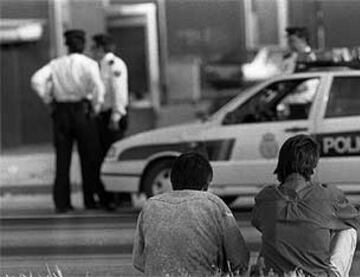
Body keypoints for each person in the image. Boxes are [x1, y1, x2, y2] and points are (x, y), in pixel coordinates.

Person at [251, 134, 360, 276]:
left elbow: (259, 223)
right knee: (348, 229)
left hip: (273, 273)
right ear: (313, 166)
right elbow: (354, 219)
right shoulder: (328, 196)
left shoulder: (265, 198)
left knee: (273, 231)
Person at [31, 29, 111, 213]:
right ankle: (89, 199)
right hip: (82, 111)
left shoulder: (56, 64)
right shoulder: (89, 64)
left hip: (61, 112)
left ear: (67, 45)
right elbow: (98, 87)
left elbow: (36, 80)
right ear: (82, 45)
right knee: (89, 157)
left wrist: (48, 99)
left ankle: (62, 203)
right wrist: (96, 106)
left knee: (62, 159)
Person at [132, 152, 250, 276]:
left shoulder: (150, 206)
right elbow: (240, 260)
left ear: (172, 180)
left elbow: (139, 262)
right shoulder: (214, 204)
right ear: (206, 184)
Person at [91, 33, 130, 207]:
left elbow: (119, 92)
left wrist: (115, 116)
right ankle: (113, 197)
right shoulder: (100, 65)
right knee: (105, 156)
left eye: (93, 47)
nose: (91, 51)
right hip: (104, 116)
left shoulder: (114, 65)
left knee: (113, 157)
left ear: (100, 48)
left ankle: (118, 198)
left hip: (113, 115)